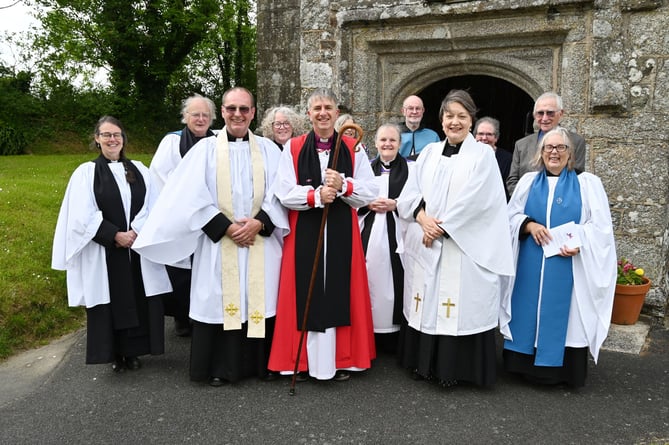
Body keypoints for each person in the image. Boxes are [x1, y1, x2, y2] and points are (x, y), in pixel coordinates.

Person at [133, 87, 288, 386]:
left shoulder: (269, 149)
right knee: (220, 301)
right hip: (219, 242)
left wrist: (260, 222)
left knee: (260, 298)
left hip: (260, 241)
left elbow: (279, 193)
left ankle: (262, 365)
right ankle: (220, 368)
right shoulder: (204, 150)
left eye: (244, 109)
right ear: (224, 111)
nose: (238, 115)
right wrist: (226, 227)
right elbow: (189, 196)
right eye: (231, 109)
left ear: (253, 113)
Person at [396, 89, 514, 388]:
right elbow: (410, 193)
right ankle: (426, 365)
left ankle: (457, 370)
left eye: (462, 116)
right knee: (430, 302)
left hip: (462, 246)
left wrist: (443, 227)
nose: (455, 122)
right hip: (429, 239)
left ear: (471, 120)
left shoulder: (483, 155)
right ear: (441, 119)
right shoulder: (430, 153)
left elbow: (480, 200)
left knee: (460, 306)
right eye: (449, 116)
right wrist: (423, 219)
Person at [269, 88, 378, 381]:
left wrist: (344, 185)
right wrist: (316, 195)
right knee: (304, 293)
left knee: (341, 290)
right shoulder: (293, 147)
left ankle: (342, 359)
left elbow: (371, 190)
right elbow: (283, 191)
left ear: (336, 112)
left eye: (328, 107)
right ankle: (302, 362)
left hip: (342, 233)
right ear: (308, 114)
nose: (323, 113)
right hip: (305, 231)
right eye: (316, 108)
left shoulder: (353, 148)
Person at [500, 127, 616, 388]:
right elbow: (510, 218)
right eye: (548, 148)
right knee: (525, 307)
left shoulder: (588, 184)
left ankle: (561, 371)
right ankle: (521, 364)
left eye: (560, 147)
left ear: (569, 153)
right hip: (529, 264)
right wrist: (528, 225)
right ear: (540, 153)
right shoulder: (528, 182)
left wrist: (580, 242)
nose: (554, 152)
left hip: (568, 266)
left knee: (568, 316)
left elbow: (601, 229)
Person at [52, 116, 166, 372]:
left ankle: (134, 351)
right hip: (105, 250)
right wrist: (114, 235)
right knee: (111, 299)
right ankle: (115, 353)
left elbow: (153, 204)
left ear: (123, 138)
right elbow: (81, 214)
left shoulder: (139, 169)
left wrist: (135, 230)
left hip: (136, 247)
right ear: (97, 139)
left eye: (116, 134)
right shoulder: (86, 173)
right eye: (106, 135)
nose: (112, 139)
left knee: (137, 296)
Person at [149, 94, 217, 337]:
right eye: (195, 114)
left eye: (205, 115)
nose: (200, 119)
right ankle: (181, 316)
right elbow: (160, 175)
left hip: (212, 213)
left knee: (209, 266)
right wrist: (185, 203)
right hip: (182, 214)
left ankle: (205, 315)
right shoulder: (172, 142)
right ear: (185, 117)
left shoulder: (218, 139)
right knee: (181, 269)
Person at [358, 123, 409, 353]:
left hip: (398, 232)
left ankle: (395, 335)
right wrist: (368, 204)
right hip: (370, 231)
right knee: (370, 279)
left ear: (399, 144)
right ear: (376, 143)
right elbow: (354, 196)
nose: (387, 144)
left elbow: (419, 197)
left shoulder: (411, 169)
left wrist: (396, 204)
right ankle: (370, 334)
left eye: (392, 140)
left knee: (397, 280)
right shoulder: (366, 168)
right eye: (383, 140)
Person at [506, 92, 586, 196]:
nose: (544, 118)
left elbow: (576, 177)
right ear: (534, 115)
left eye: (550, 113)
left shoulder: (576, 142)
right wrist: (527, 200)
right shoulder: (521, 145)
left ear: (561, 114)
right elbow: (512, 181)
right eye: (540, 113)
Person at [474, 116, 512, 188]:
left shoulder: (507, 159)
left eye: (489, 134)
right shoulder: (467, 156)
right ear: (475, 136)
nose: (484, 138)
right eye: (481, 134)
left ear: (496, 138)